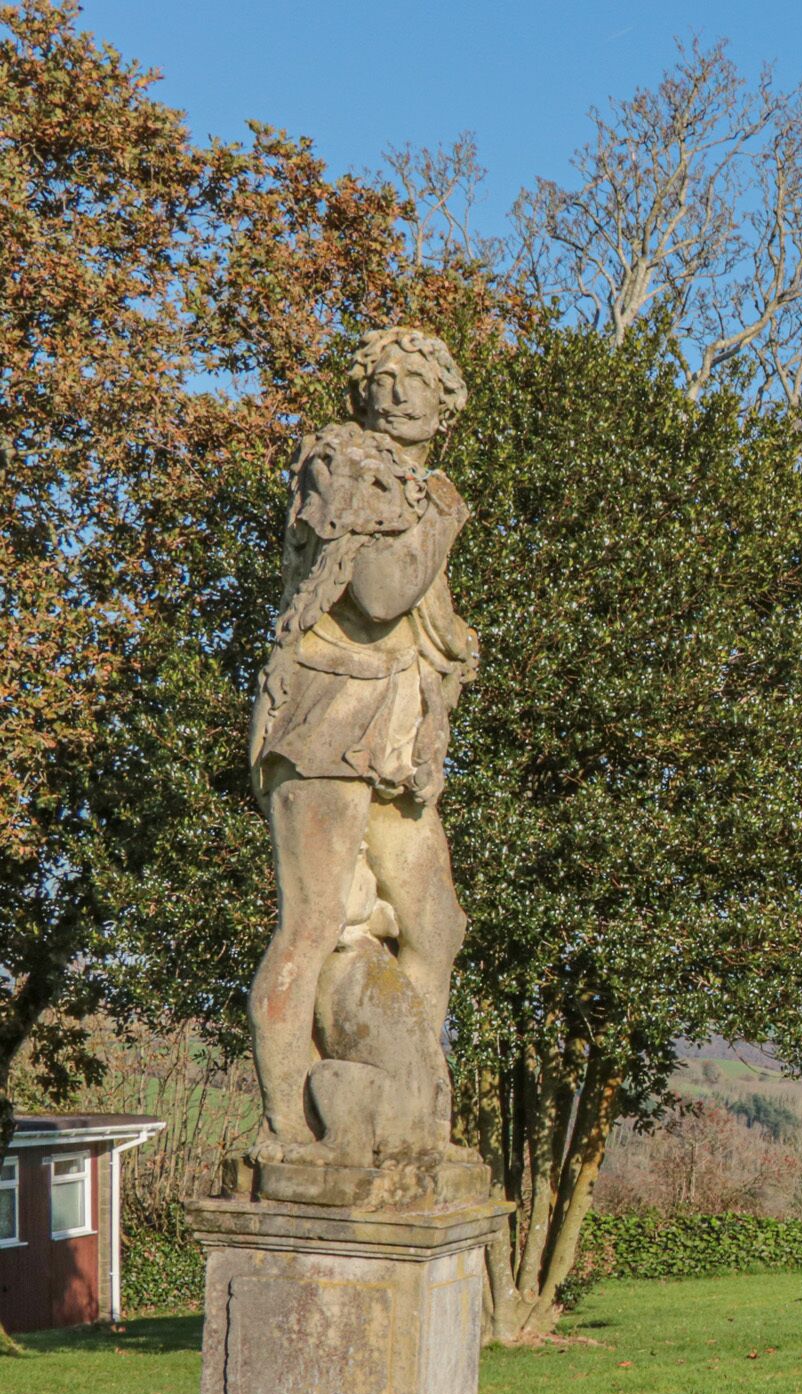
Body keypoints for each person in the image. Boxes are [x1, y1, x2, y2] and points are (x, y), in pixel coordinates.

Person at [246, 326, 477, 1164]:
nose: (401, 390)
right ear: (363, 392)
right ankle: (290, 1127)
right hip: (325, 712)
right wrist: (445, 517)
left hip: (395, 722)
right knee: (311, 923)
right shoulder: (341, 465)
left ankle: (411, 1115)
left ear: (445, 403)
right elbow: (381, 594)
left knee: (436, 925)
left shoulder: (414, 487)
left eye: (420, 378)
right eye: (386, 375)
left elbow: (431, 621)